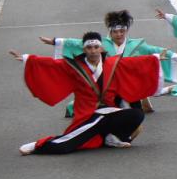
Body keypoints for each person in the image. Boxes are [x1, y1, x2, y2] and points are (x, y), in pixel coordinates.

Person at [10, 31, 162, 155]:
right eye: (89, 48)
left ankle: (113, 137)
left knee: (137, 115)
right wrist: (27, 59)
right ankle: (39, 145)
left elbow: (137, 64)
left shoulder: (112, 64)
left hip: (109, 112)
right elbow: (51, 65)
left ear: (101, 48)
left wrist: (155, 58)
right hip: (88, 115)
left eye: (96, 47)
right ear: (84, 50)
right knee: (66, 146)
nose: (93, 50)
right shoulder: (74, 66)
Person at [39, 10, 177, 116]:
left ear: (126, 30)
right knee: (99, 108)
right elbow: (78, 43)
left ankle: (139, 100)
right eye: (115, 31)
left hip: (128, 82)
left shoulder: (137, 45)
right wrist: (55, 41)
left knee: (133, 109)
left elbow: (157, 50)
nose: (119, 34)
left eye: (122, 31)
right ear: (110, 32)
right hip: (108, 83)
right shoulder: (101, 44)